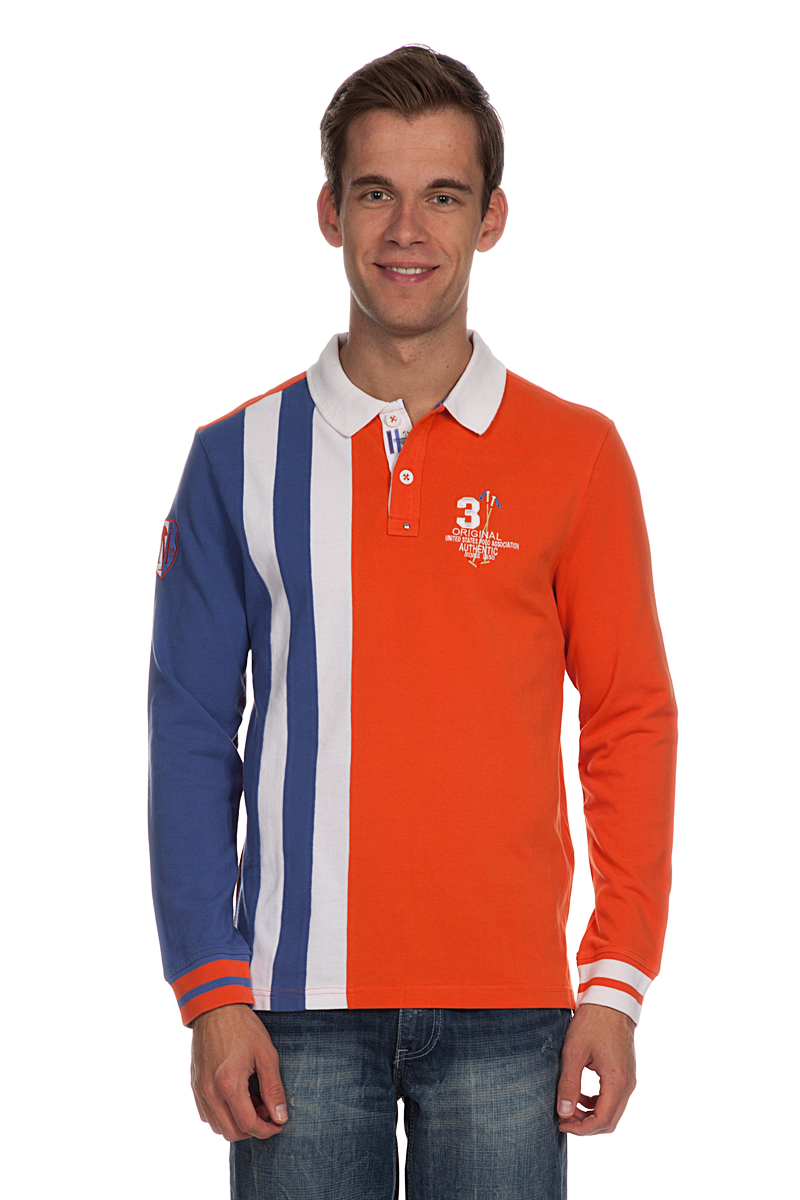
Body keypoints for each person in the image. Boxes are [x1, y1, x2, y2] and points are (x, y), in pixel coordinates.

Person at [148, 44, 677, 1200]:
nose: (405, 230)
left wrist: (614, 980)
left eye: (441, 195)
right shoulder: (234, 460)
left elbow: (628, 717)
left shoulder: (576, 454)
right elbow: (189, 734)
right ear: (329, 212)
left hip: (513, 1014)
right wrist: (209, 990)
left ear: (489, 219)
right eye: (375, 193)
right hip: (289, 1014)